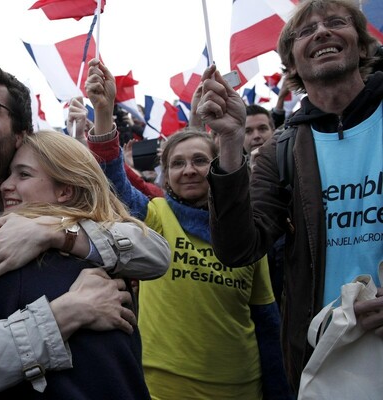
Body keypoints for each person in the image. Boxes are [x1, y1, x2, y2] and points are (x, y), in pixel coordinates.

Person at [0, 64, 171, 399]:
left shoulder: (67, 210)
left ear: (20, 132)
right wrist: (68, 311)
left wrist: (57, 234)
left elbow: (155, 255)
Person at [196, 0, 383, 393]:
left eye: (336, 23)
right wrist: (230, 143)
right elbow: (237, 249)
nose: (321, 32)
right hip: (327, 355)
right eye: (306, 31)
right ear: (293, 65)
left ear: (363, 47)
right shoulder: (280, 152)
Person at [84, 58, 290, 399]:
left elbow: (267, 321)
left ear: (220, 166)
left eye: (199, 160)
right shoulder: (156, 215)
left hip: (241, 388)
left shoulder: (249, 231)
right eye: (177, 163)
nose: (189, 170)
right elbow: (111, 182)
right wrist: (103, 113)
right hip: (162, 386)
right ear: (166, 175)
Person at [0, 129, 166, 398]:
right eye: (9, 174)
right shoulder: (104, 265)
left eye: (23, 174)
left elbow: (158, 254)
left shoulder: (4, 261)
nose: (5, 185)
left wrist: (55, 232)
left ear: (65, 190)